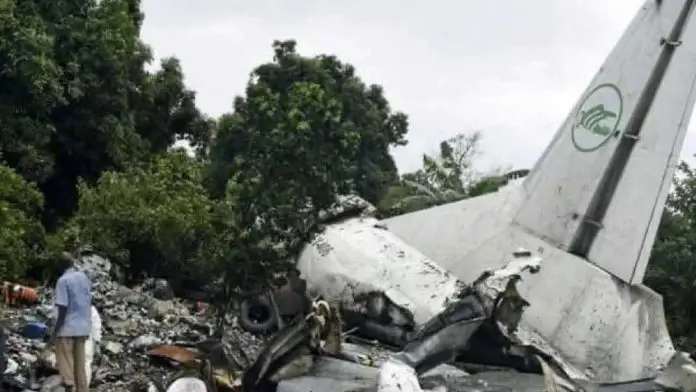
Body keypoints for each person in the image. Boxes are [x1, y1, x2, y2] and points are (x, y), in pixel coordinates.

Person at [49, 252, 92, 392]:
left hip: (66, 329)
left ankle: (70, 389)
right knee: (80, 367)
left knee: (66, 367)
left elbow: (62, 309)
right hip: (83, 327)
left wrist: (55, 332)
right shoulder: (84, 278)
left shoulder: (63, 281)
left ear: (60, 266)